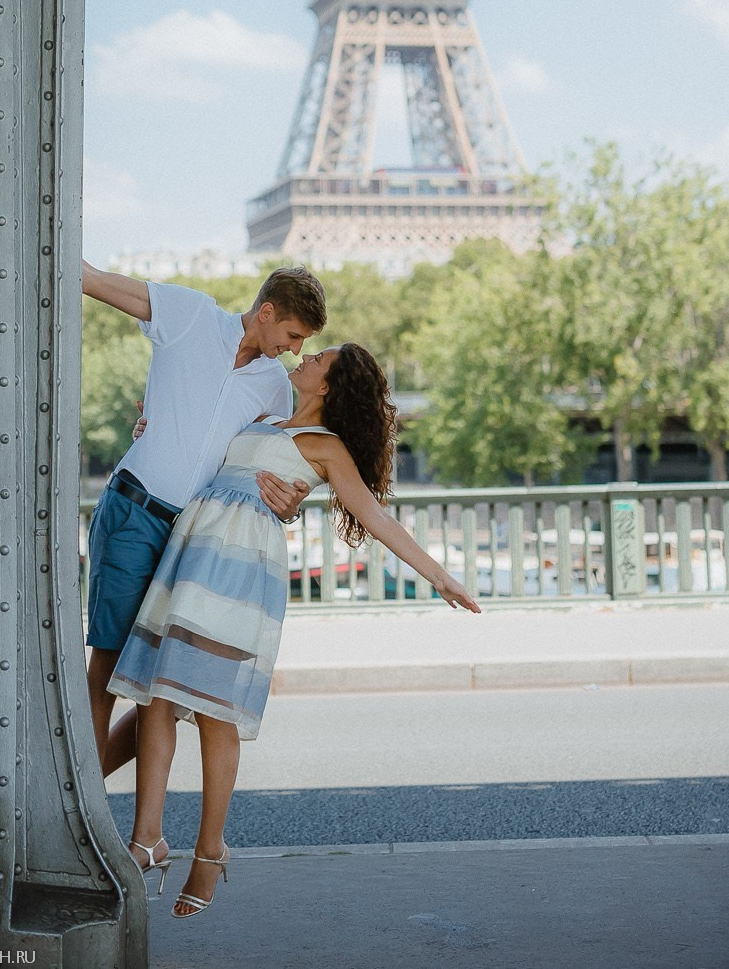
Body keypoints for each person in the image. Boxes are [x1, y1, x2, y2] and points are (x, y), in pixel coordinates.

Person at [107, 342, 481, 920]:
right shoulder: (263, 416)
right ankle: (146, 838)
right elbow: (199, 436)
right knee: (156, 698)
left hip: (239, 577)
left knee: (214, 710)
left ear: (328, 386)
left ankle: (209, 851)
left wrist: (441, 577)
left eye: (318, 361)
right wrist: (153, 424)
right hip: (191, 560)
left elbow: (376, 518)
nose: (304, 360)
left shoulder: (327, 448)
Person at [81, 260, 327, 763]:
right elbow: (95, 281)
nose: (296, 349)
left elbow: (265, 467)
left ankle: (87, 797)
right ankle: (78, 796)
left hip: (193, 540)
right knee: (108, 662)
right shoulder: (189, 313)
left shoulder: (274, 387)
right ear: (265, 311)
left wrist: (292, 505)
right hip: (136, 509)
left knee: (164, 687)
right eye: (293, 334)